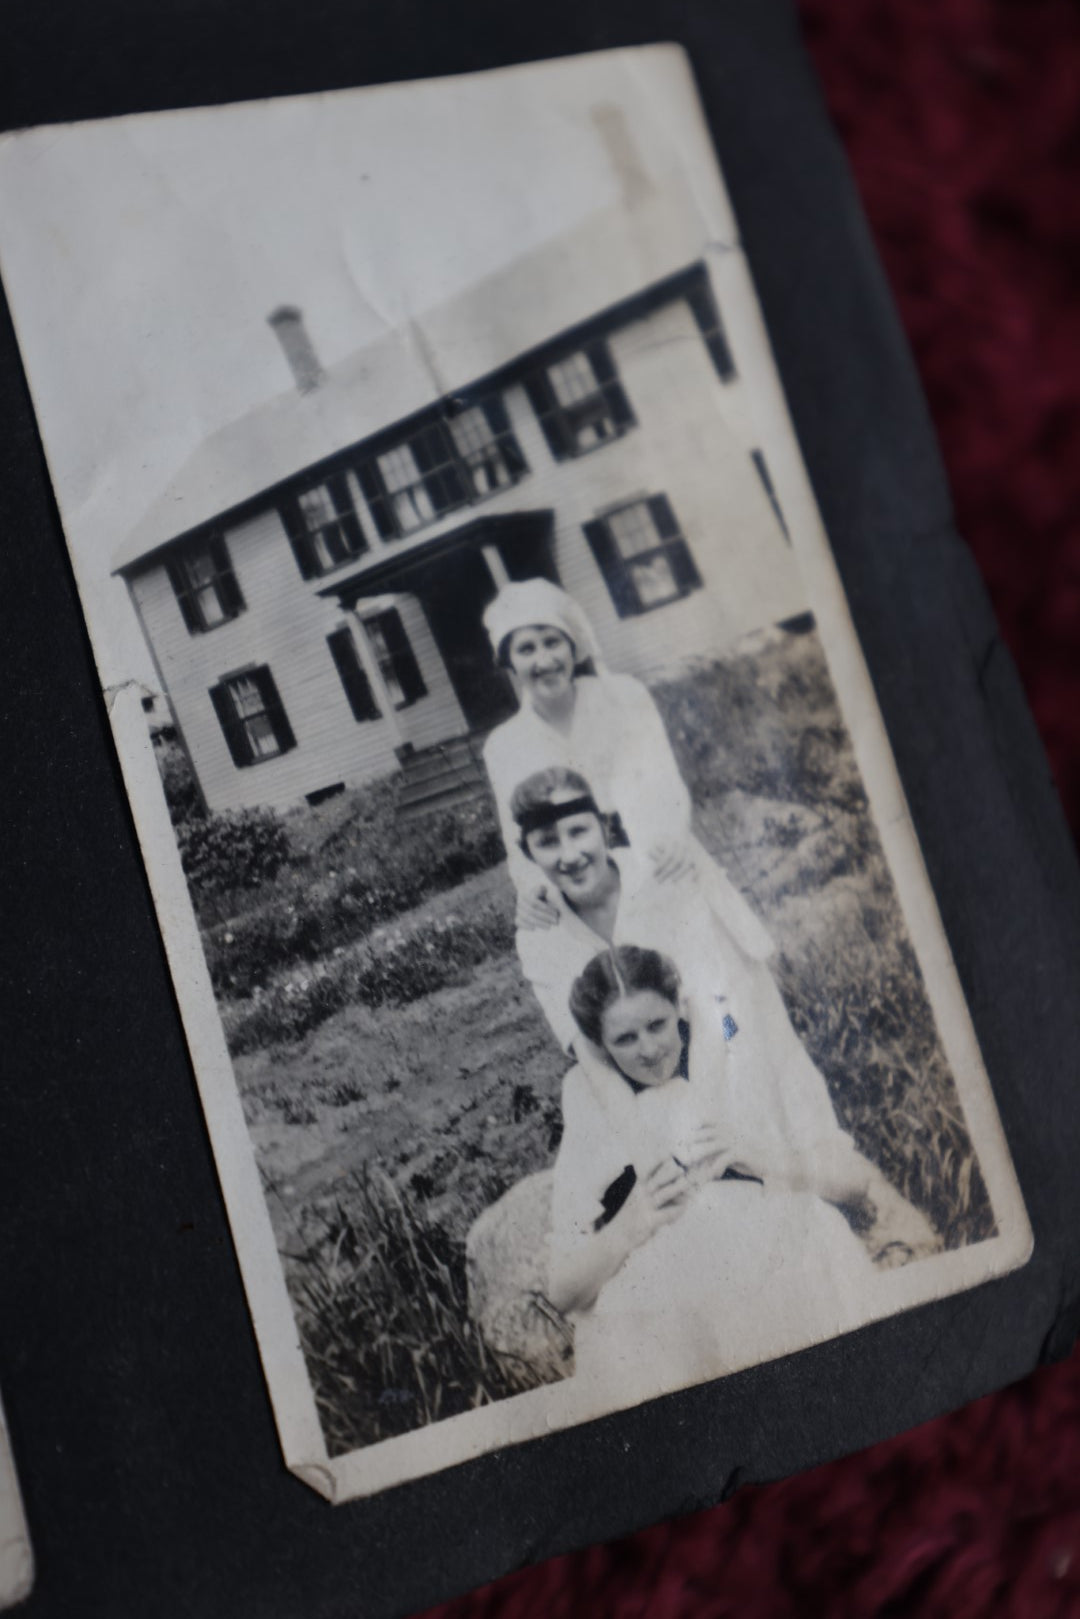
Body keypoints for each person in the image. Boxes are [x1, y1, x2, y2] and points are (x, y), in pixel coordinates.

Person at [512, 766, 940, 1266]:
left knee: (777, 1127)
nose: (569, 855)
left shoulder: (660, 878)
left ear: (604, 828)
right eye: (547, 842)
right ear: (528, 854)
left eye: (578, 831)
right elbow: (591, 1055)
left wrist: (710, 1116)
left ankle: (863, 1217)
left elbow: (720, 1007)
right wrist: (651, 1157)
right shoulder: (540, 935)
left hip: (731, 1021)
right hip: (640, 1062)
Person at [548, 945, 887, 1398]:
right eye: (624, 1040)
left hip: (769, 1248)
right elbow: (563, 1289)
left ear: (680, 1008)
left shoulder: (731, 1046)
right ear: (600, 1047)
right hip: (664, 1285)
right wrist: (628, 1226)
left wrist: (755, 1155)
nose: (649, 1050)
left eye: (658, 1024)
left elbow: (853, 1182)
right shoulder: (587, 1096)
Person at [481, 577, 773, 956]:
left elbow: (665, 782)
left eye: (553, 642)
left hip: (659, 861)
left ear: (573, 645)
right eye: (526, 649)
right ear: (508, 662)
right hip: (588, 889)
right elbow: (516, 836)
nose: (544, 660)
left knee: (713, 988)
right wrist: (531, 892)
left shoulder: (622, 697)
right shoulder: (505, 745)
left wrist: (673, 839)